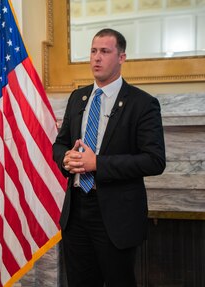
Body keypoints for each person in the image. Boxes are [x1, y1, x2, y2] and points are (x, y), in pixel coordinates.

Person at [52, 28, 166, 287]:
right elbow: (59, 144)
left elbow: (154, 160)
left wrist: (98, 164)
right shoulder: (77, 97)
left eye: (105, 51)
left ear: (121, 57)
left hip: (116, 217)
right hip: (77, 212)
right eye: (93, 51)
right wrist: (65, 159)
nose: (96, 58)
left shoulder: (142, 103)